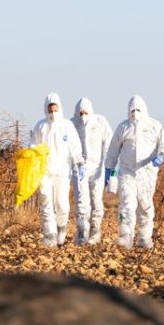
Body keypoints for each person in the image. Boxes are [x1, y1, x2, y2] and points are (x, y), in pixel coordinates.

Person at [104, 95, 164, 249]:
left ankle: (144, 237)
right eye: (132, 110)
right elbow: (113, 150)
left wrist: (161, 156)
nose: (135, 113)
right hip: (127, 172)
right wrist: (109, 168)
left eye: (138, 109)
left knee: (145, 206)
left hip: (147, 172)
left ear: (144, 109)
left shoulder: (154, 125)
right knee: (127, 204)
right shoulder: (123, 127)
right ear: (128, 110)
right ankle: (126, 236)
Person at [29, 93, 84, 247]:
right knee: (46, 202)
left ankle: (61, 228)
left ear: (59, 108)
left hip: (62, 171)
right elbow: (33, 145)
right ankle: (49, 235)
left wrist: (79, 162)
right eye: (50, 110)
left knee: (62, 204)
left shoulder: (67, 126)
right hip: (44, 172)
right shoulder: (41, 126)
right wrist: (31, 157)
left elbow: (75, 146)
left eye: (55, 109)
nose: (53, 113)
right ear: (46, 109)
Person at [71, 97, 114, 245]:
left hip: (97, 167)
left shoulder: (100, 122)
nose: (83, 116)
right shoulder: (72, 124)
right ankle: (82, 232)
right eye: (80, 113)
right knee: (81, 200)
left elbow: (110, 143)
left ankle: (95, 230)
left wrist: (109, 166)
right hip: (79, 167)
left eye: (85, 112)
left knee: (96, 200)